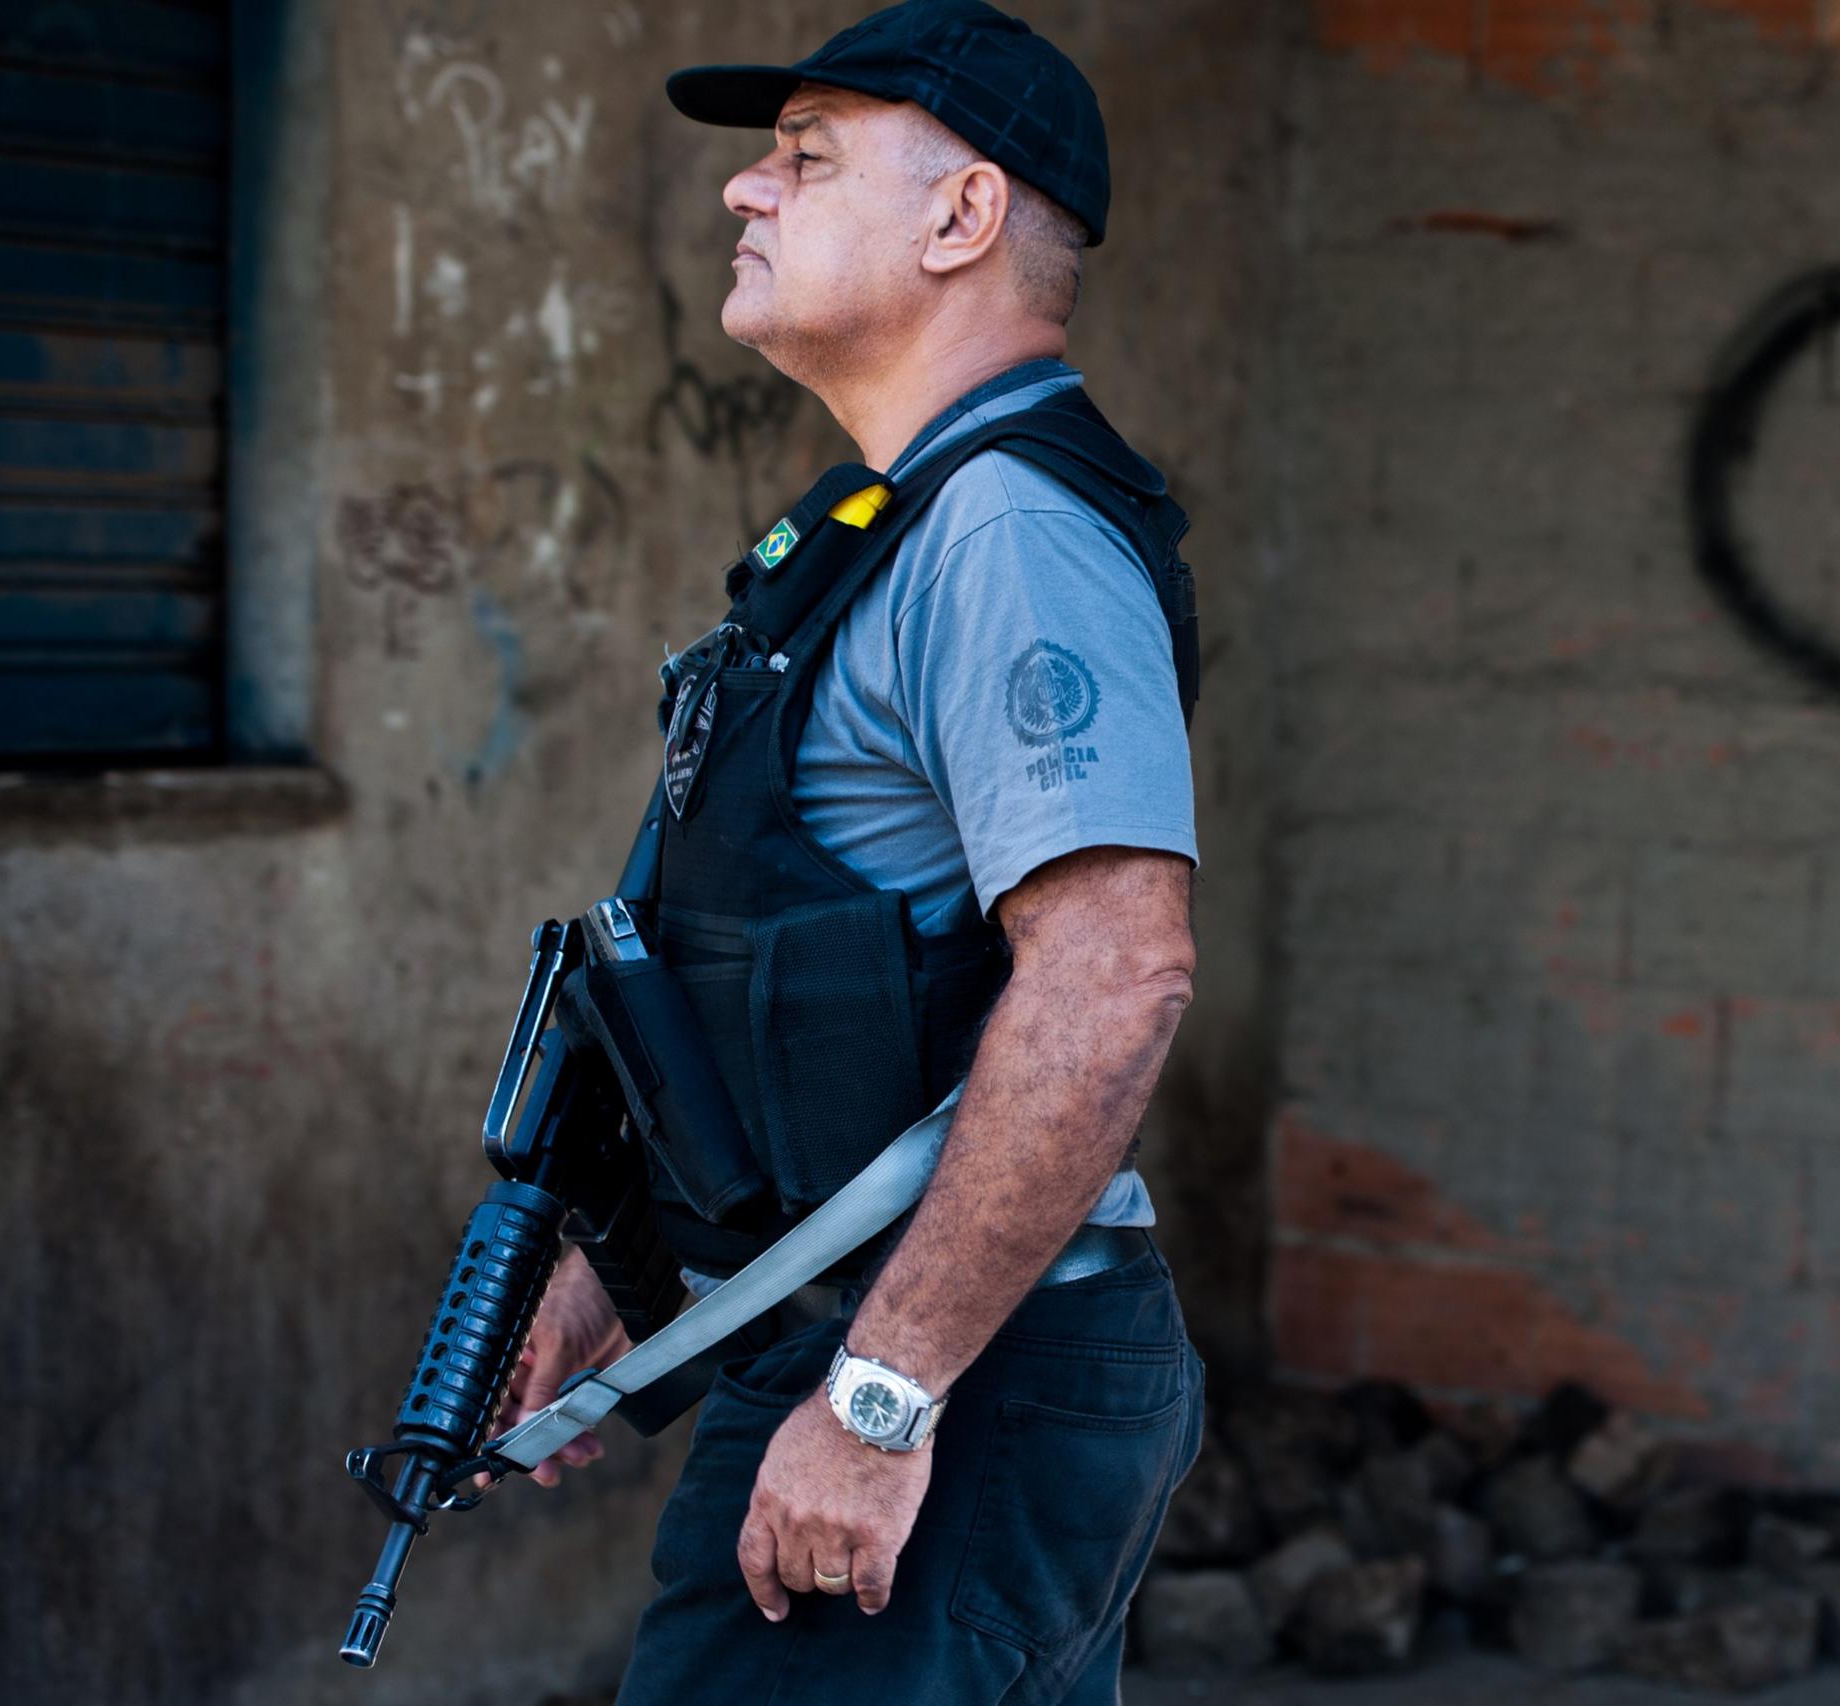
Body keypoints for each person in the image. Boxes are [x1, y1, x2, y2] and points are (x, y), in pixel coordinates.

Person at [500, 4, 1206, 1699]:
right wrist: (628, 1270)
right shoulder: (878, 527)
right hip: (867, 1340)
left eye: (807, 160)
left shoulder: (1011, 533)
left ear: (962, 219)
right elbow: (818, 986)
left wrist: (884, 1395)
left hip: (947, 1372)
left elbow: (1116, 977)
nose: (747, 194)